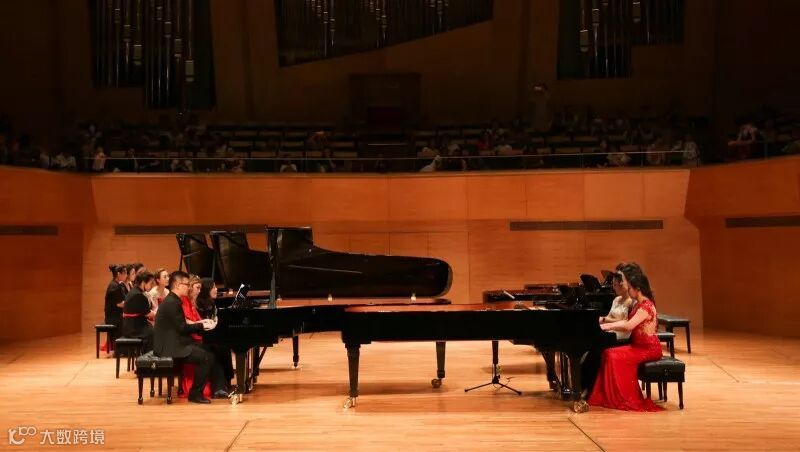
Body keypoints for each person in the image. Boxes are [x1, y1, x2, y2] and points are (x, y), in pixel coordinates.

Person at [589, 268, 664, 411]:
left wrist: (608, 326)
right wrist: (606, 325)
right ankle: (608, 396)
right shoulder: (639, 304)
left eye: (630, 288)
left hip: (648, 348)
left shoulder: (646, 306)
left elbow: (629, 326)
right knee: (607, 353)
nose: (628, 291)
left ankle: (623, 396)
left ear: (638, 289)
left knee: (613, 356)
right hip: (638, 346)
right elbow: (626, 322)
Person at [153, 271, 228, 403]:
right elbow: (182, 328)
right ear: (177, 285)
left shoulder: (173, 300)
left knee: (209, 353)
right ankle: (195, 394)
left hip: (174, 341)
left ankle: (205, 390)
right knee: (206, 357)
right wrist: (201, 326)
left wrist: (200, 325)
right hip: (169, 346)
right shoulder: (172, 303)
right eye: (186, 284)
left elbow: (181, 327)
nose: (188, 287)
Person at [196, 278, 234, 386]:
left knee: (224, 347)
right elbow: (204, 324)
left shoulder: (210, 302)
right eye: (213, 287)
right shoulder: (201, 303)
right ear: (207, 289)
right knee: (222, 348)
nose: (216, 289)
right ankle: (223, 381)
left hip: (208, 334)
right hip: (202, 336)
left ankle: (226, 380)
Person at [122, 271, 156, 351]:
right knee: (154, 332)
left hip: (130, 325)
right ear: (143, 283)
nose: (152, 286)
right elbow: (148, 314)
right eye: (151, 283)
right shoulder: (138, 295)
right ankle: (149, 356)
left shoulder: (134, 291)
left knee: (153, 328)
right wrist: (160, 313)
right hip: (134, 328)